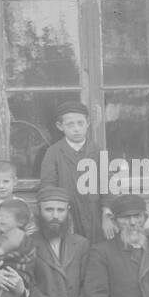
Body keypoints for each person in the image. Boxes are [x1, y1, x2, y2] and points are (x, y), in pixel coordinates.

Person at [26, 187, 90, 297]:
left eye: (60, 210)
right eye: (49, 209)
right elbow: (27, 286)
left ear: (68, 212)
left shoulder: (81, 244)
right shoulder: (27, 244)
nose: (55, 215)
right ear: (38, 211)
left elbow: (89, 284)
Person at [37, 101, 113, 243]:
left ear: (88, 123)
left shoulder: (97, 151)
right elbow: (48, 187)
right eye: (70, 125)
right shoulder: (53, 152)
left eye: (80, 123)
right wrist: (59, 214)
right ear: (60, 126)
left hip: (94, 213)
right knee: (71, 250)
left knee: (97, 251)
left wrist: (106, 213)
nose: (76, 129)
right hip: (68, 214)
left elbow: (106, 185)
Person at [0, 160, 35, 236]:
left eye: (6, 181)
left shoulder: (21, 204)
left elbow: (30, 228)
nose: (1, 186)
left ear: (15, 181)